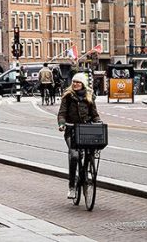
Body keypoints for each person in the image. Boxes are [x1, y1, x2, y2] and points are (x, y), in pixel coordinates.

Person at [57, 72, 101, 200]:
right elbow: (62, 112)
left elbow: (94, 114)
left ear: (83, 84)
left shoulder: (89, 96)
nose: (75, 84)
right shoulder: (68, 96)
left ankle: (86, 176)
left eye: (78, 82)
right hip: (71, 130)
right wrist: (62, 124)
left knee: (90, 153)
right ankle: (72, 186)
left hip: (86, 130)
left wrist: (98, 122)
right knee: (75, 156)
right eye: (74, 82)